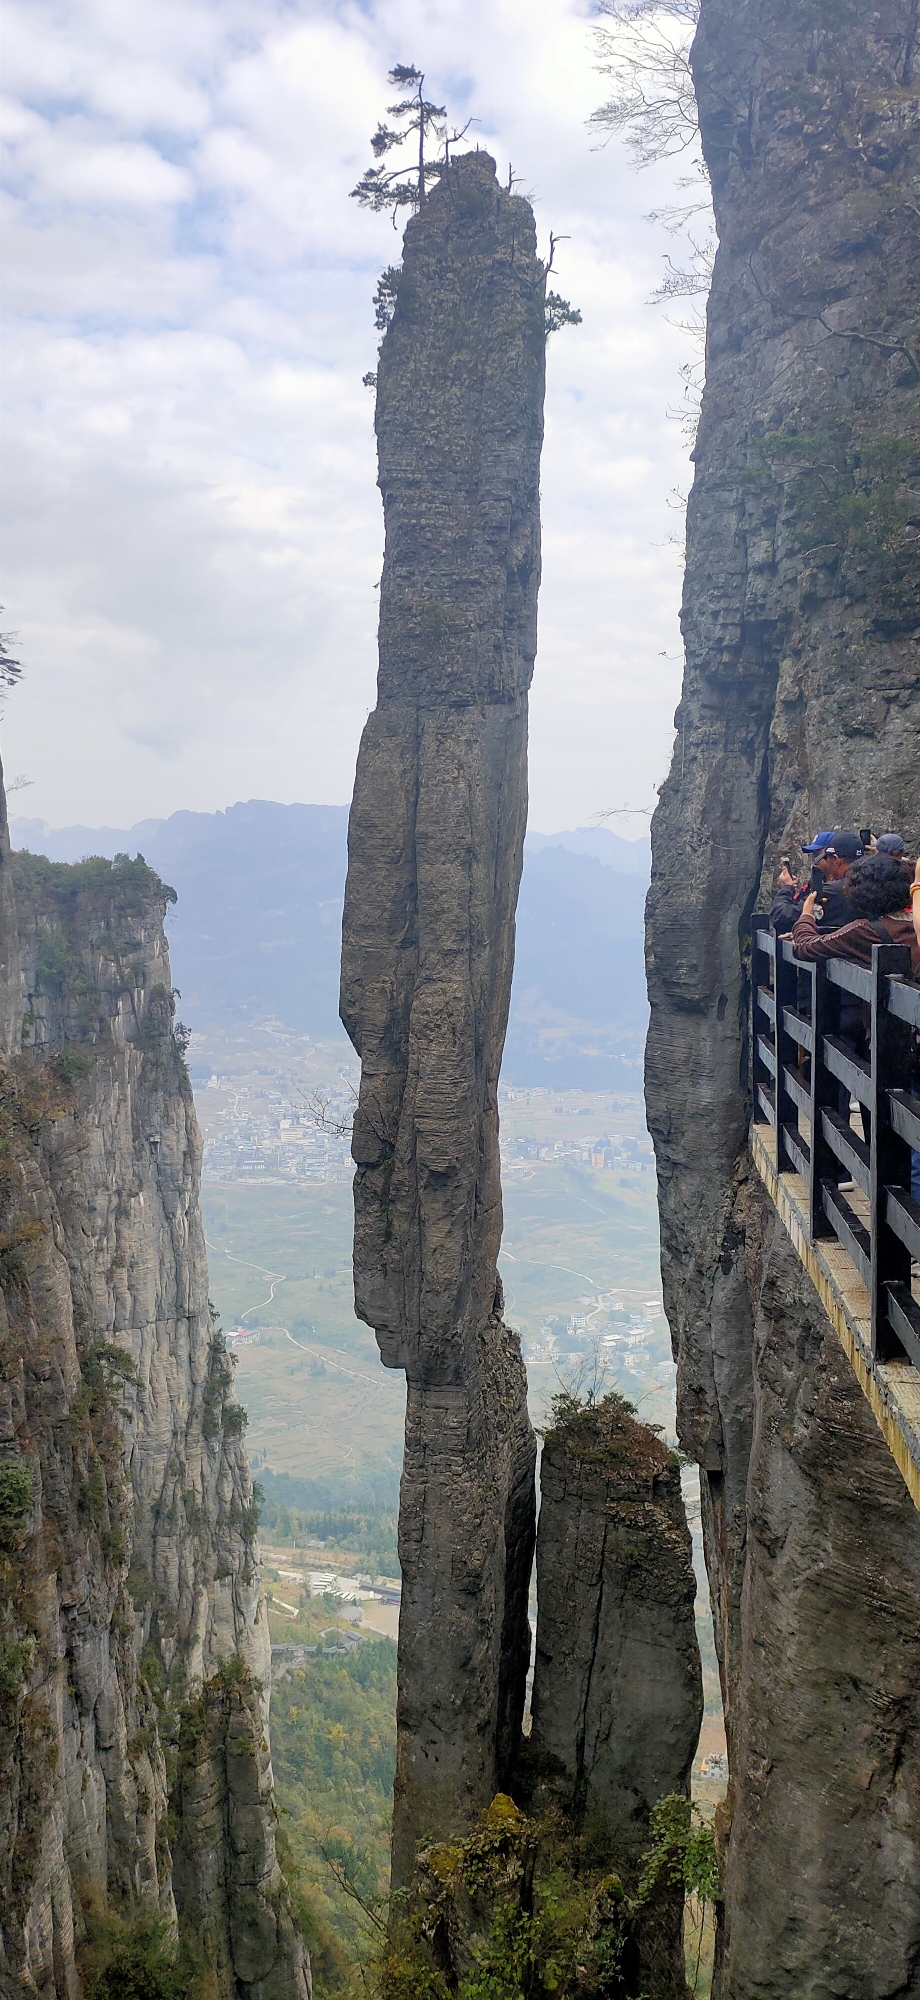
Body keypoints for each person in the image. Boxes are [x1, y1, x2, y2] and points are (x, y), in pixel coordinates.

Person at [770, 829, 864, 935]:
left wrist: (786, 887)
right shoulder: (871, 882)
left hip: (833, 950)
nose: (816, 860)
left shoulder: (832, 890)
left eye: (822, 855)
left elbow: (782, 917)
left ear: (836, 860)